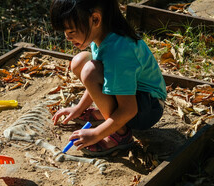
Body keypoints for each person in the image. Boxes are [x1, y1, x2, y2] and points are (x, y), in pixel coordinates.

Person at [50, 0, 167, 157]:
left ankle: (120, 135)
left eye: (71, 31)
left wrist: (96, 134)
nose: (67, 37)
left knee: (90, 71)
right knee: (80, 62)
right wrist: (79, 108)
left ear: (95, 19)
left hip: (147, 108)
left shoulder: (118, 51)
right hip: (135, 96)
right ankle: (107, 115)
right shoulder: (102, 34)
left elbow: (128, 109)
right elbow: (99, 81)